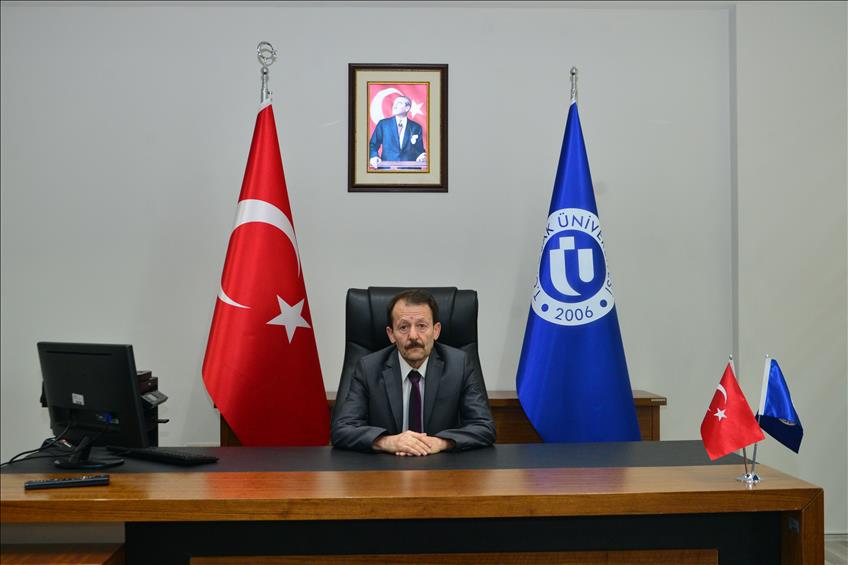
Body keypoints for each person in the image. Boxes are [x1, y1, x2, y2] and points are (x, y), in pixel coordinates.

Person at [332, 289, 496, 455]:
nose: (413, 336)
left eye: (422, 326)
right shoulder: (368, 368)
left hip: (441, 465)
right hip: (386, 466)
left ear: (436, 330)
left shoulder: (459, 365)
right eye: (403, 327)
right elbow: (342, 430)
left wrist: (441, 443)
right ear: (391, 334)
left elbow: (484, 427)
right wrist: (388, 442)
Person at [369, 96, 427, 168]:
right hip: (387, 169)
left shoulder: (416, 127)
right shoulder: (383, 124)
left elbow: (419, 150)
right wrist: (374, 156)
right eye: (394, 103)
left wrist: (422, 156)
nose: (394, 106)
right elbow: (373, 144)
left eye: (399, 103)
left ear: (407, 108)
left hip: (410, 170)